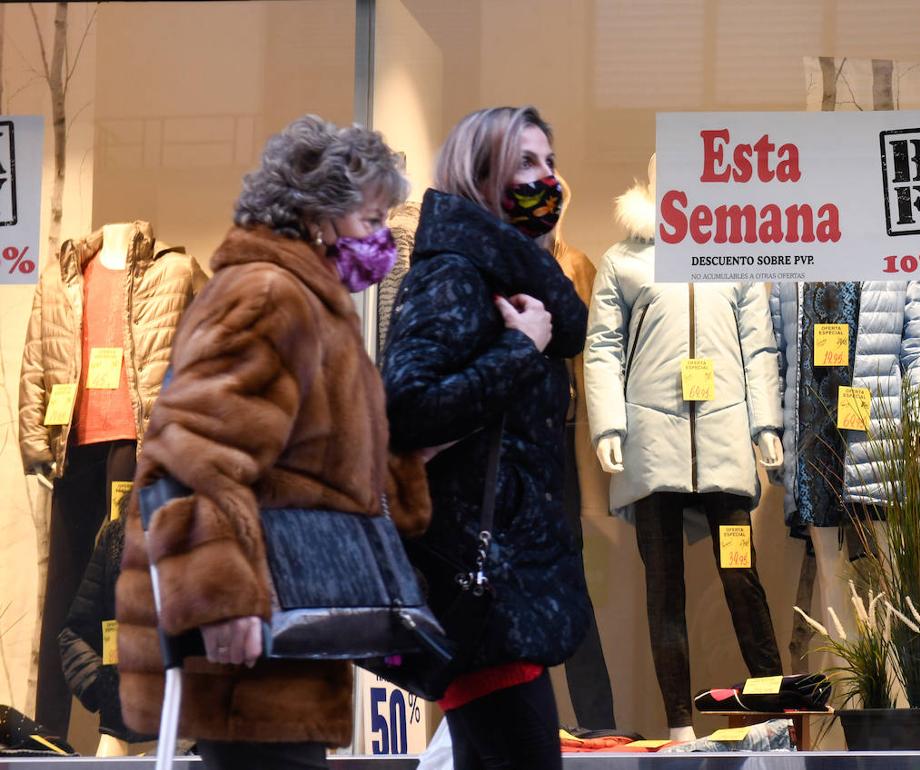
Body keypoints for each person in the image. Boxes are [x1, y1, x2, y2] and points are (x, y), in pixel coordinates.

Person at [115, 115, 431, 770]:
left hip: (283, 641)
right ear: (319, 213)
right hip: (252, 642)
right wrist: (224, 600)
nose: (382, 242)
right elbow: (188, 454)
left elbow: (318, 467)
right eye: (371, 220)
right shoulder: (269, 294)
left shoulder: (310, 302)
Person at [382, 106, 589, 770]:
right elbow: (407, 405)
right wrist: (520, 350)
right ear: (480, 175)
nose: (546, 177)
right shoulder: (452, 274)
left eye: (549, 162)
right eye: (526, 162)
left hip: (509, 588)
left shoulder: (508, 277)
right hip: (482, 587)